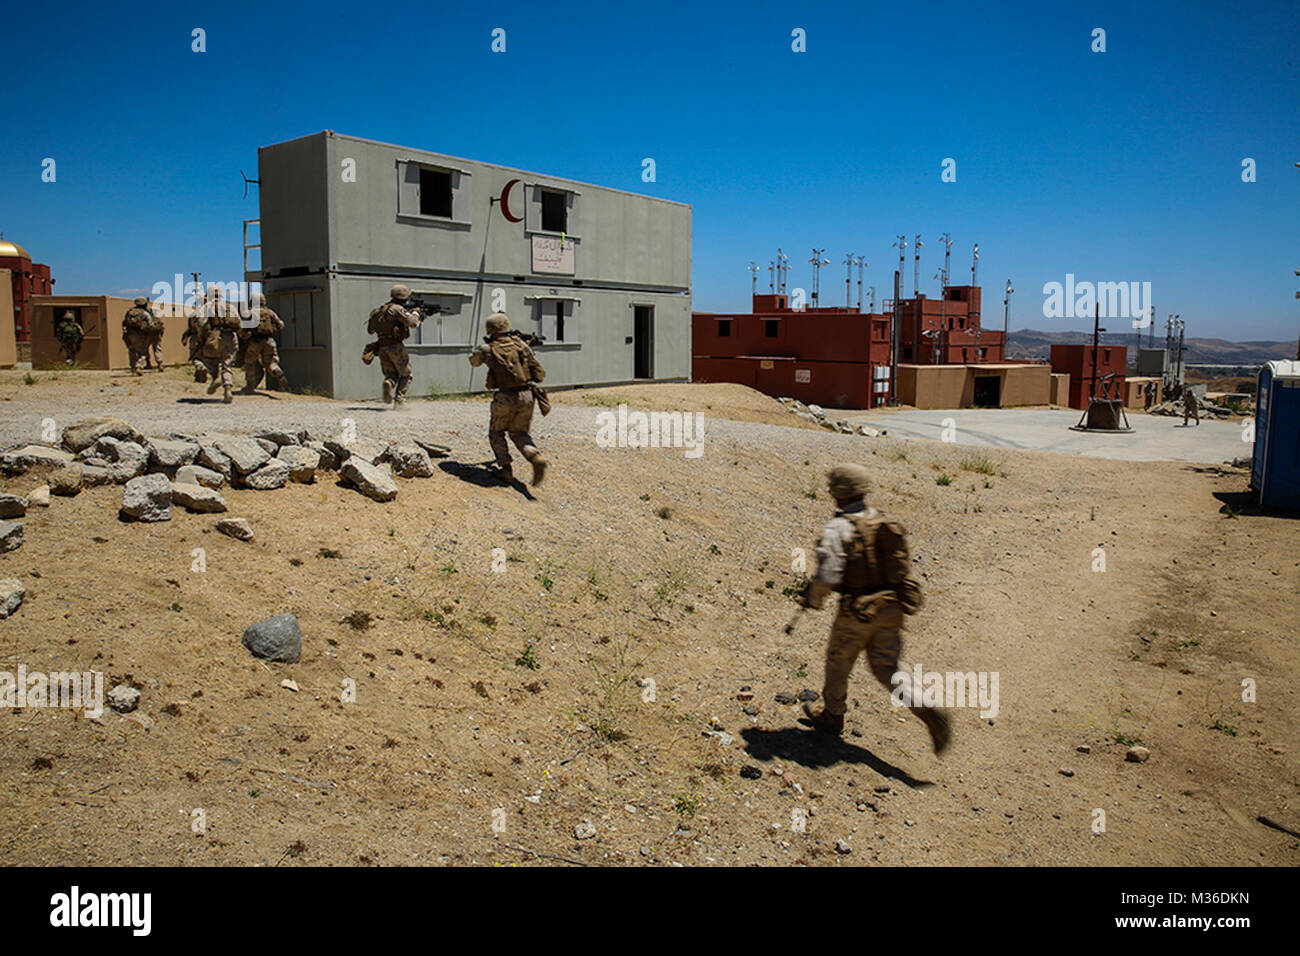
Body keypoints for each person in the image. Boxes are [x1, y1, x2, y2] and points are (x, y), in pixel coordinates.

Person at [797, 463, 951, 755]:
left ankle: (832, 716)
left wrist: (813, 599)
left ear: (836, 493)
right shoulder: (881, 521)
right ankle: (927, 707)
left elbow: (827, 576)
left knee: (838, 662)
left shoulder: (838, 528)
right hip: (891, 607)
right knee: (887, 667)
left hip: (857, 612)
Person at [468, 312, 548, 485]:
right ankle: (534, 457)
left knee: (496, 432)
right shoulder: (521, 345)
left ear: (490, 329)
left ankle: (505, 469)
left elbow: (473, 362)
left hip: (505, 396)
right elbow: (540, 374)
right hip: (527, 395)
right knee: (519, 433)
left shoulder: (487, 348)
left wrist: (482, 348)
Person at [367, 284, 422, 406]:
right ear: (404, 297)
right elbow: (413, 323)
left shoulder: (380, 310)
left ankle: (389, 383)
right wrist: (416, 313)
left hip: (381, 347)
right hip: (395, 346)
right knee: (406, 374)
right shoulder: (397, 309)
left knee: (392, 373)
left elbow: (370, 330)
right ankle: (400, 401)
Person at [239, 292, 287, 393]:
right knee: (271, 362)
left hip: (255, 342)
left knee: (250, 363)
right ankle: (276, 370)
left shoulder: (250, 312)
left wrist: (244, 337)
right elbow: (281, 324)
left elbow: (243, 328)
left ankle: (249, 387)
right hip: (269, 341)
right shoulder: (270, 312)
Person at [198, 287, 239, 403]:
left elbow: (201, 323)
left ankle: (215, 377)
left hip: (215, 336)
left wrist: (203, 337)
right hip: (231, 336)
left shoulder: (206, 307)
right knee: (227, 364)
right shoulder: (229, 306)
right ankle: (228, 389)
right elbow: (238, 321)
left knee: (209, 359)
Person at [121, 297, 153, 375]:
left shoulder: (130, 312)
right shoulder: (144, 313)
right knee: (142, 352)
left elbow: (124, 323)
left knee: (131, 350)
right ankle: (139, 366)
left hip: (129, 335)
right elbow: (150, 324)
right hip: (140, 335)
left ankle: (133, 367)